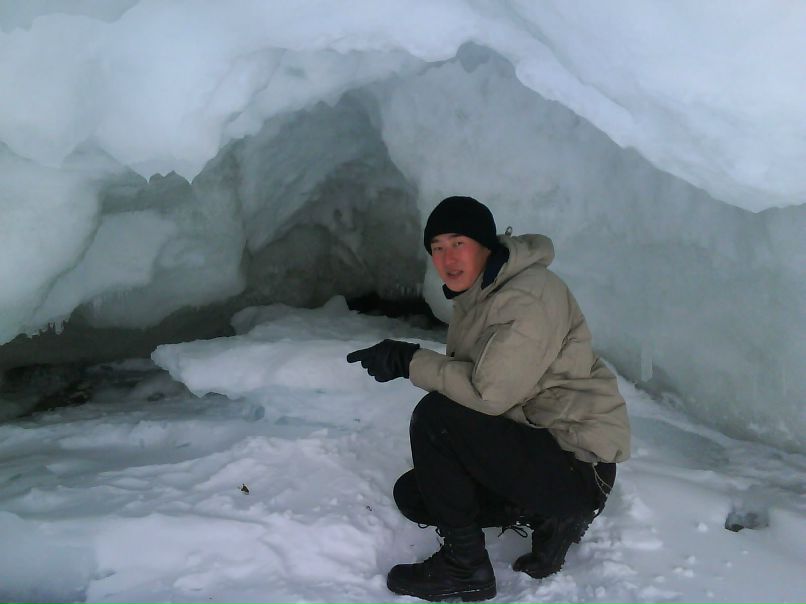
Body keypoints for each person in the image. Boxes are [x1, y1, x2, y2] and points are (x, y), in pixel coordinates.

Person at [347, 196, 630, 602]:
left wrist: (409, 360)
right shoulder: (482, 292)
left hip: (579, 462)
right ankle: (551, 517)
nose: (447, 257)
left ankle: (466, 567)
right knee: (417, 496)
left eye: (457, 242)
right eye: (437, 248)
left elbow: (487, 394)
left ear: (486, 244)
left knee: (435, 418)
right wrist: (407, 359)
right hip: (544, 445)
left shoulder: (527, 296)